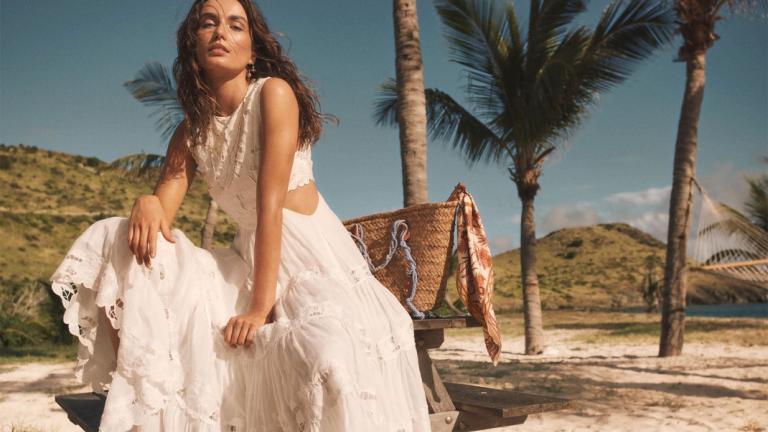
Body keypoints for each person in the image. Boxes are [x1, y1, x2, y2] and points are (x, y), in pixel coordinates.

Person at [49, 0, 432, 430]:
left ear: (251, 50)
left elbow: (269, 207)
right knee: (114, 235)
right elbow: (160, 221)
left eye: (235, 25)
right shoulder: (190, 131)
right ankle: (139, 400)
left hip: (312, 262)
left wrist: (259, 306)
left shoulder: (273, 94)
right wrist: (148, 202)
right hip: (249, 258)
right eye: (208, 23)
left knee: (326, 357)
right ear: (192, 45)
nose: (220, 32)